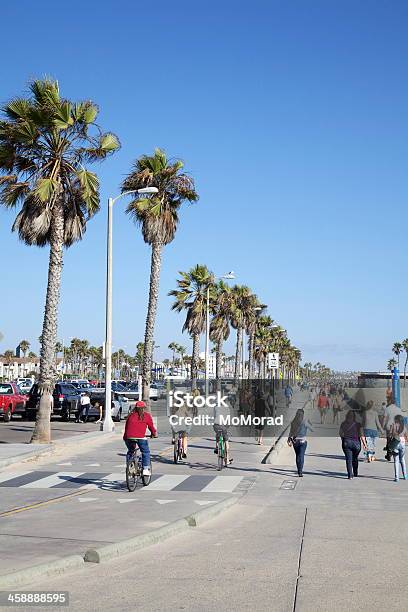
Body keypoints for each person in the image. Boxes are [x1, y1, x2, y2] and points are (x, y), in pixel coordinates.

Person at [123, 401, 157, 476]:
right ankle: (145, 469)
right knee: (145, 452)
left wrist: (125, 437)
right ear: (143, 408)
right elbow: (151, 427)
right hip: (140, 437)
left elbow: (126, 428)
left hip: (129, 437)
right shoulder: (146, 416)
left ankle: (130, 467)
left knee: (130, 451)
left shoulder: (130, 416)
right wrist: (153, 434)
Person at [339, 410, 367, 479]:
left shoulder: (343, 423)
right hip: (356, 444)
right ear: (354, 417)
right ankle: (355, 472)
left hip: (346, 442)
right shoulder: (358, 424)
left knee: (349, 459)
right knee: (355, 458)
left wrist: (343, 439)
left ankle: (350, 475)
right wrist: (364, 444)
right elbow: (361, 434)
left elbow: (340, 433)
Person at [287, 407, 313, 477]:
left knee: (297, 455)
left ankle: (299, 470)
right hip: (302, 441)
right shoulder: (305, 422)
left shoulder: (293, 422)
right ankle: (300, 471)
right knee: (301, 456)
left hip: (295, 441)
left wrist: (289, 439)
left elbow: (291, 432)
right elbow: (312, 429)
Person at [388, 415, 407, 482]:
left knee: (396, 460)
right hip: (402, 442)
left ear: (396, 419)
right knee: (402, 459)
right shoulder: (404, 427)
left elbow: (390, 434)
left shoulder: (393, 425)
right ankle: (405, 476)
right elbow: (406, 436)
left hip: (395, 442)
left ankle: (397, 478)